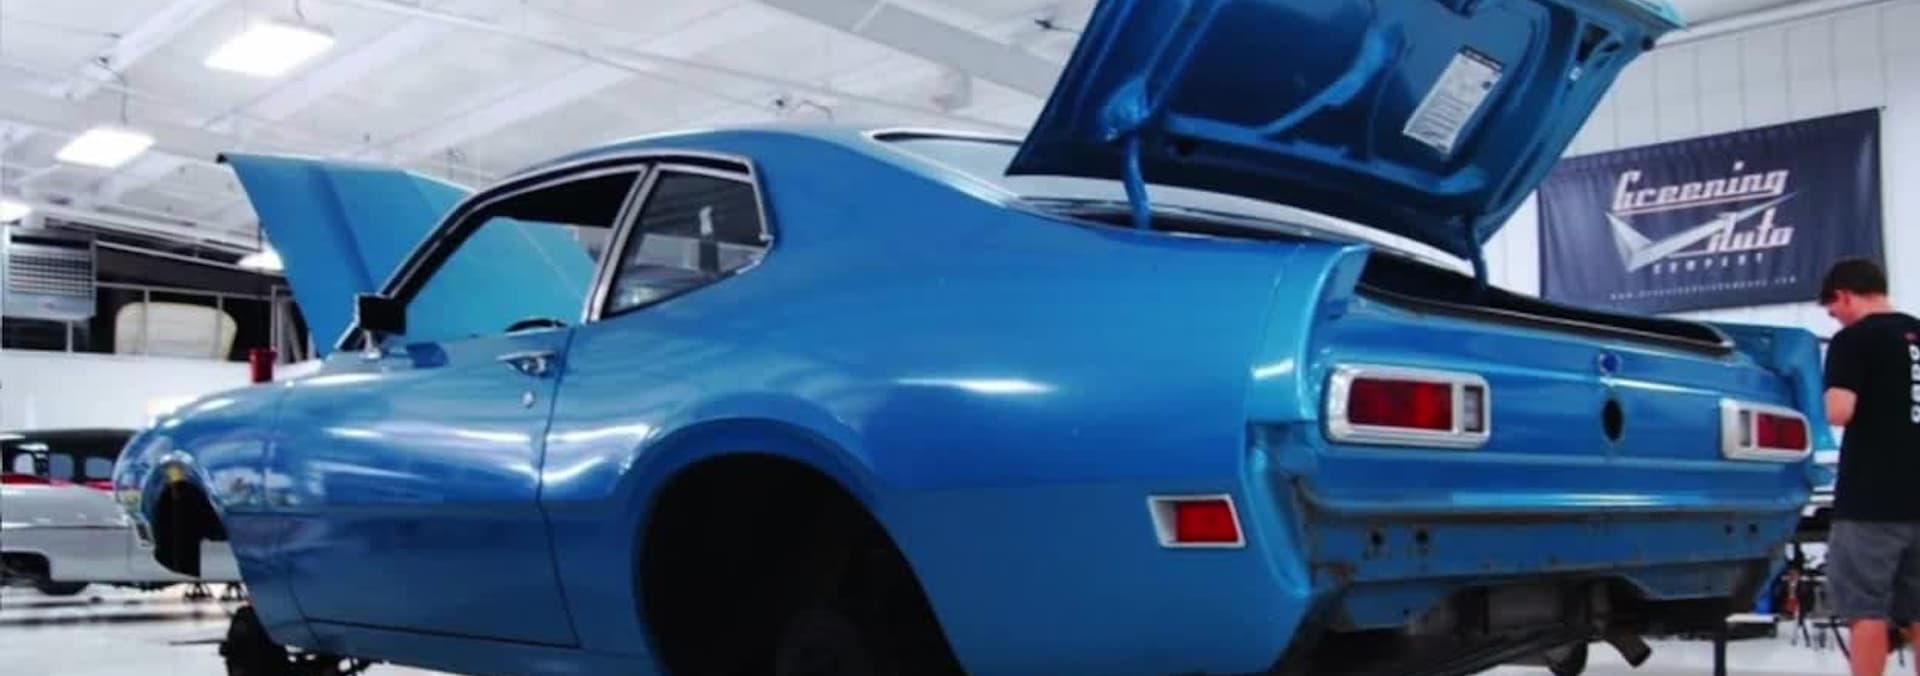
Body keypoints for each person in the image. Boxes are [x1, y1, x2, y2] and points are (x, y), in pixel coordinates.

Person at [1818, 258, 1920, 676]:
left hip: (1871, 502)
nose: (1836, 320)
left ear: (1844, 295)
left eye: (1833, 312)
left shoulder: (1853, 340)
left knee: (1865, 611)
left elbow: (1839, 410)